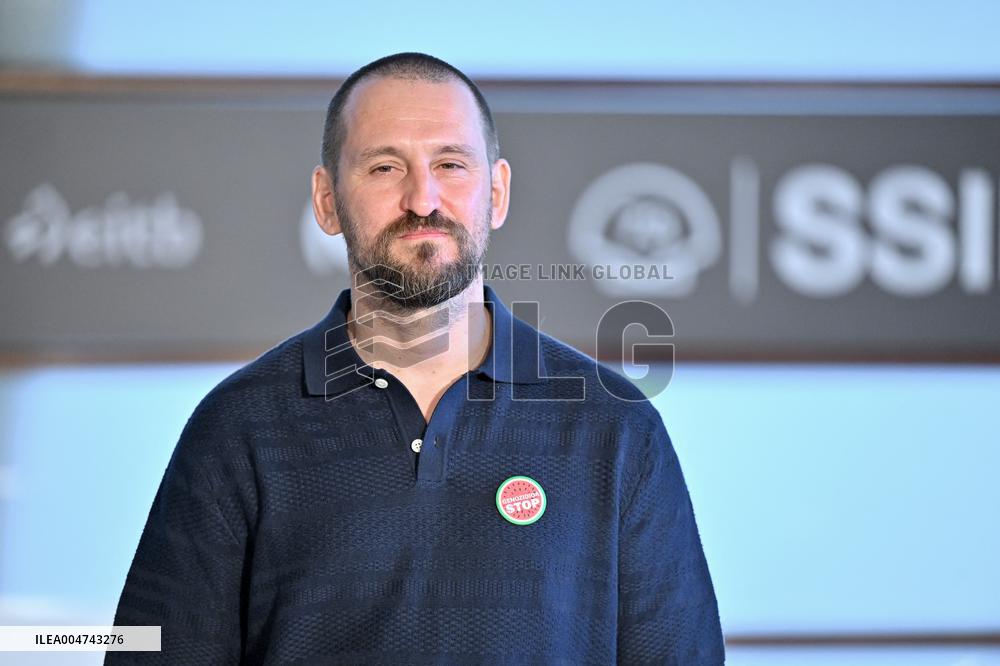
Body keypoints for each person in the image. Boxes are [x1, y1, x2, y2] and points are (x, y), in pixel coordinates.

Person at [108, 52, 724, 664]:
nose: (422, 198)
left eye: (451, 164)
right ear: (326, 200)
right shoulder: (238, 428)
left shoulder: (613, 428)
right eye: (384, 167)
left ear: (498, 192)